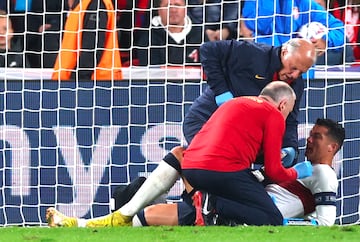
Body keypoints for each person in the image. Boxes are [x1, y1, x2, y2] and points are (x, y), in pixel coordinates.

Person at [45, 81, 313, 227]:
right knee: (272, 219)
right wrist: (296, 170)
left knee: (180, 162)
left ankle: (125, 214)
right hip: (220, 174)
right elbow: (276, 172)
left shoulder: (235, 103)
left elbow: (215, 144)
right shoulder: (273, 115)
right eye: (287, 112)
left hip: (193, 168)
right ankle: (211, 205)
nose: (286, 117)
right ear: (283, 103)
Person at [183, 38, 317, 167]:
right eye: (293, 68)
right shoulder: (254, 53)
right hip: (205, 122)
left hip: (241, 136)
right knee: (218, 168)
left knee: (276, 159)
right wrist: (221, 91)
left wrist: (290, 149)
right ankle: (178, 163)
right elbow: (208, 49)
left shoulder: (295, 86)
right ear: (284, 52)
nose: (294, 75)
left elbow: (289, 121)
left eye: (301, 73)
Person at [240, 0, 353, 65]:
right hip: (266, 69)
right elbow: (258, 24)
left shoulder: (305, 5)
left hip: (301, 74)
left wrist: (325, 41)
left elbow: (340, 31)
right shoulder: (256, 3)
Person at [51, 0, 122, 81]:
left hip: (95, 83)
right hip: (74, 82)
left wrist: (75, 80)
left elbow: (92, 49)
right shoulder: (80, 5)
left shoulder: (96, 4)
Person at [134, 0, 209, 66]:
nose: (173, 10)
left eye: (177, 5)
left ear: (185, 9)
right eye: (167, 6)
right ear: (159, 11)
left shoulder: (200, 33)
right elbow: (151, 73)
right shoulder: (148, 36)